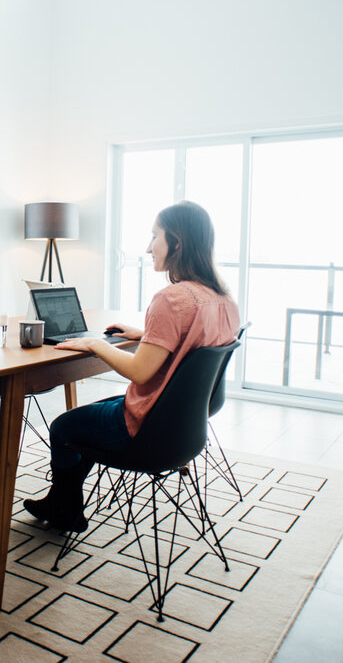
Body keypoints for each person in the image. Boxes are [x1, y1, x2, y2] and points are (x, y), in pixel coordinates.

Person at [23, 201, 240, 532]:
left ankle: (65, 508)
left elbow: (139, 372)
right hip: (185, 426)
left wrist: (95, 343)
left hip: (147, 425)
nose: (148, 247)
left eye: (155, 236)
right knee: (89, 417)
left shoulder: (172, 298)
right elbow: (194, 342)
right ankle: (61, 500)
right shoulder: (224, 300)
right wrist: (148, 335)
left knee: (64, 427)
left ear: (177, 242)